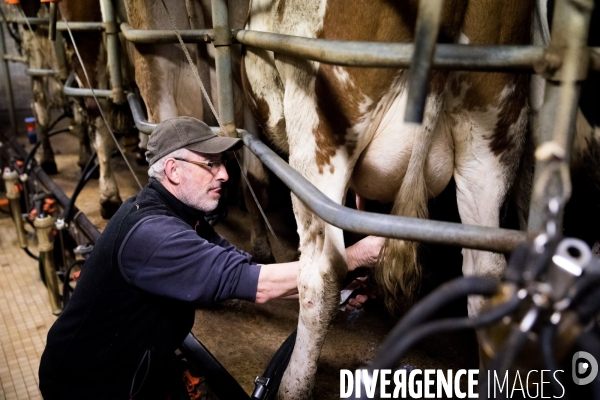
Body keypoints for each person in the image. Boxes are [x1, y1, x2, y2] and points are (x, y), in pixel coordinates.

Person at [38, 116, 383, 399]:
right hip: (87, 385)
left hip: (140, 362)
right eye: (211, 164)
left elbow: (247, 271)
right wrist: (355, 255)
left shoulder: (181, 216)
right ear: (173, 170)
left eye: (223, 163)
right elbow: (258, 286)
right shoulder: (153, 235)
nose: (224, 175)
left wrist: (334, 285)